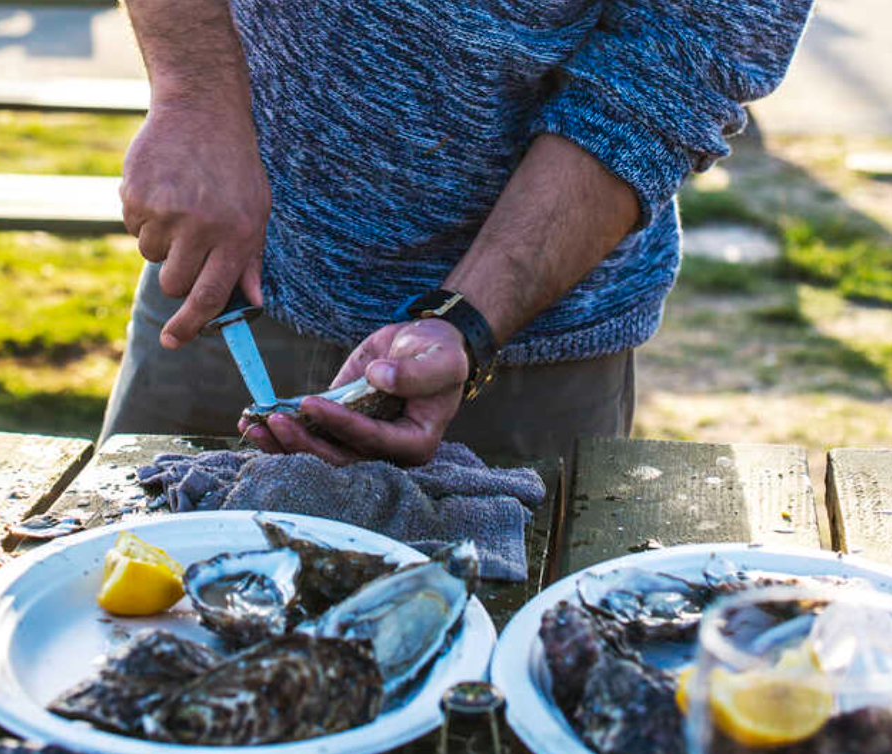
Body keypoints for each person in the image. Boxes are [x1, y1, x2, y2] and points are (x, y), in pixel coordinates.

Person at [101, 0, 813, 465]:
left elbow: (672, 69)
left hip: (526, 355)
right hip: (221, 291)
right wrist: (192, 96)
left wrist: (467, 321)